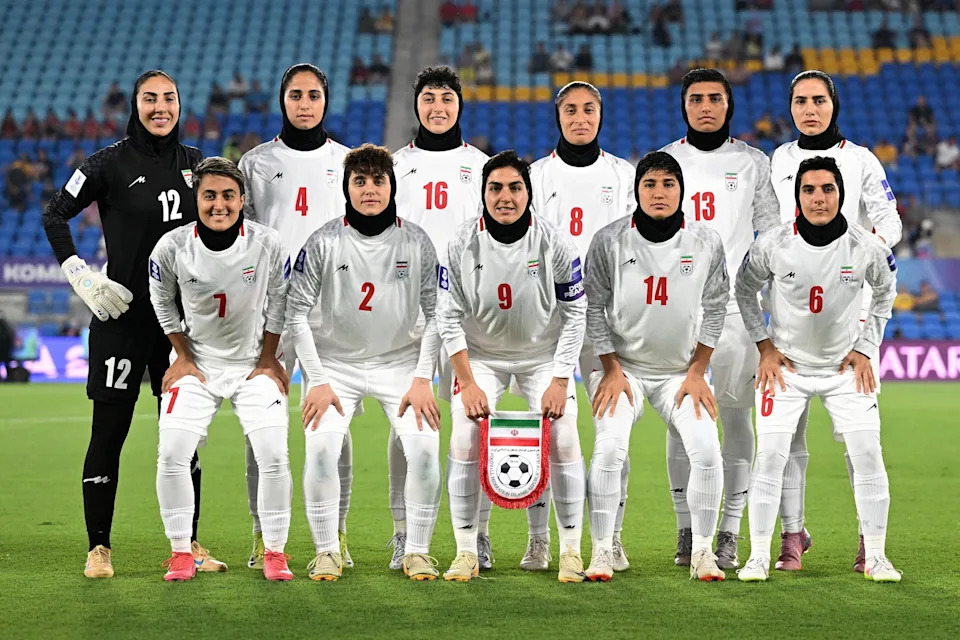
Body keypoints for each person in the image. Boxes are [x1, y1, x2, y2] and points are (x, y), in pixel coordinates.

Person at [41, 70, 223, 578]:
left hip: (180, 332)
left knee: (182, 437)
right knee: (109, 432)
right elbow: (55, 214)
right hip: (120, 320)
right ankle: (99, 548)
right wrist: (81, 276)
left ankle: (187, 544)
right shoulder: (106, 162)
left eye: (169, 99)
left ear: (180, 105)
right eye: (150, 99)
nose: (160, 107)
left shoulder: (196, 166)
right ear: (136, 105)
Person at [736, 155, 900, 583]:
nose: (819, 198)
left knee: (867, 451)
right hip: (785, 368)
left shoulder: (865, 246)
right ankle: (757, 556)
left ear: (841, 195)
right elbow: (744, 288)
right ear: (797, 196)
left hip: (846, 368)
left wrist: (867, 346)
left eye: (827, 189)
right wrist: (764, 346)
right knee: (770, 454)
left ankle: (877, 556)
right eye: (809, 190)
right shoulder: (772, 243)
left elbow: (885, 292)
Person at [287, 144, 443, 581]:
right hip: (334, 366)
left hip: (401, 364)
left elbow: (436, 314)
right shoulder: (322, 241)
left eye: (379, 181)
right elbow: (295, 313)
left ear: (392, 187)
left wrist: (422, 377)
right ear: (346, 188)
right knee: (319, 450)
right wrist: (316, 380)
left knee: (426, 451)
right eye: (360, 181)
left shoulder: (416, 240)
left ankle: (415, 551)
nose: (370, 189)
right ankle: (326, 551)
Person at [769, 70, 901, 573]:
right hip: (791, 308)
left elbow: (889, 221)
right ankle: (791, 535)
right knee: (787, 432)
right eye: (800, 100)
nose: (809, 109)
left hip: (851, 310)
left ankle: (870, 539)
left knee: (858, 435)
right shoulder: (780, 159)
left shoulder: (861, 159)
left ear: (833, 104)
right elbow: (773, 224)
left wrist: (861, 256)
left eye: (818, 100)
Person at [437, 151, 588, 583]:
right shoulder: (461, 241)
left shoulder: (555, 241)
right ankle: (466, 550)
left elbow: (575, 313)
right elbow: (446, 315)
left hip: (543, 357)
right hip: (481, 357)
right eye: (495, 188)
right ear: (483, 193)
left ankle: (570, 551)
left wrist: (561, 379)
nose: (505, 197)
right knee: (465, 438)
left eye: (515, 187)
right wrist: (466, 383)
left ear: (529, 192)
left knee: (563, 438)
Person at [583, 151, 728, 582]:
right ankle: (603, 549)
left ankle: (702, 551)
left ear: (682, 190)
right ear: (636, 190)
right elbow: (593, 308)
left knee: (706, 449)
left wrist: (699, 370)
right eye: (650, 184)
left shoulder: (706, 240)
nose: (659, 192)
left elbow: (717, 305)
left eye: (668, 184)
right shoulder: (609, 239)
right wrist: (609, 368)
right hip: (621, 369)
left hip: (681, 374)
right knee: (609, 448)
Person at [149, 157, 293, 582]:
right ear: (197, 199)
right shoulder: (172, 246)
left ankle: (275, 553)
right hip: (199, 366)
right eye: (209, 195)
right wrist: (183, 356)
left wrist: (269, 359)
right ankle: (179, 553)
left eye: (228, 195)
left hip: (252, 365)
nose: (219, 204)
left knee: (273, 455)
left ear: (242, 199)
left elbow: (280, 301)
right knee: (172, 453)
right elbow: (161, 300)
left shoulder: (268, 243)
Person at [659, 69, 780, 570]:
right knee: (680, 422)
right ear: (683, 106)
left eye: (715, 98)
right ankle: (688, 530)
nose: (705, 106)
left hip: (736, 313)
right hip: (681, 314)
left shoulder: (753, 162)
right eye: (696, 99)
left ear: (728, 105)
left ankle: (729, 529)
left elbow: (772, 233)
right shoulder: (667, 161)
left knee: (734, 418)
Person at [238, 63, 351, 570]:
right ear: (282, 100)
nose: (304, 103)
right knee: (261, 423)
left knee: (335, 423)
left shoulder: (346, 161)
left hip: (331, 308)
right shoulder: (256, 163)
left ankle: (338, 534)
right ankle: (264, 533)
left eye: (313, 95)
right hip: (272, 307)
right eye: (295, 95)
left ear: (326, 101)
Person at [528, 81, 636, 573]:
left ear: (600, 114)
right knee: (547, 434)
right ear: (558, 116)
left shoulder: (625, 175)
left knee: (612, 432)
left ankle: (610, 539)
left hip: (607, 324)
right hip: (549, 324)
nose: (580, 117)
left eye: (588, 109)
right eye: (570, 109)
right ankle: (539, 541)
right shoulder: (534, 176)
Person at [390, 65, 489, 570]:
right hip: (408, 310)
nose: (437, 106)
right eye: (428, 97)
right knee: (406, 420)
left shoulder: (482, 166)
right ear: (417, 105)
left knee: (474, 422)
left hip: (469, 310)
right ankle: (403, 533)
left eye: (446, 98)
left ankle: (481, 534)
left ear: (459, 106)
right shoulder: (393, 167)